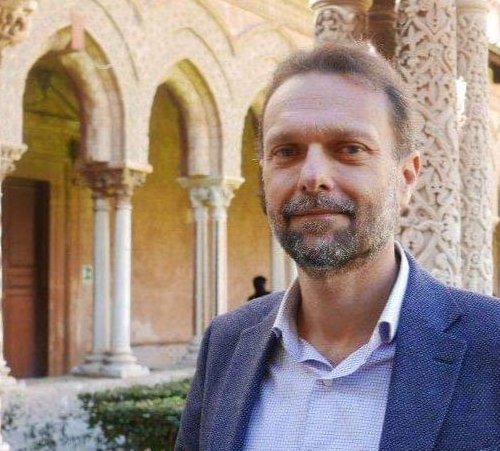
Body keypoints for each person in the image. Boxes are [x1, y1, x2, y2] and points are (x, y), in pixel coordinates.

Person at [175, 43, 500, 451]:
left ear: (406, 177)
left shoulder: (491, 345)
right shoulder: (226, 344)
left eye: (350, 149)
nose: (312, 177)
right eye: (286, 152)